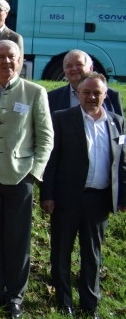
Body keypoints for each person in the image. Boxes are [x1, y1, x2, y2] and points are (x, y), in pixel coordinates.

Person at [0, 40, 53, 318]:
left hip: (19, 177)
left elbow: (45, 138)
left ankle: (15, 296)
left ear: (20, 61)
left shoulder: (35, 92)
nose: (6, 62)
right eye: (0, 57)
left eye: (12, 57)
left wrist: (33, 172)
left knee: (17, 239)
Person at [42, 72, 126, 317]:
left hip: (99, 201)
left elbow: (122, 162)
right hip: (67, 198)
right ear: (77, 93)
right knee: (61, 252)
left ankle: (90, 304)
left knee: (92, 254)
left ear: (105, 94)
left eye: (96, 93)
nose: (91, 97)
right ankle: (63, 301)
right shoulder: (61, 119)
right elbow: (51, 161)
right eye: (86, 92)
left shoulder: (117, 122)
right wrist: (47, 194)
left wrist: (123, 197)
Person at [47, 49, 123, 115]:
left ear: (90, 68)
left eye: (79, 64)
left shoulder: (112, 96)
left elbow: (118, 127)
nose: (74, 68)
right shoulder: (52, 97)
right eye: (69, 66)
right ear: (64, 71)